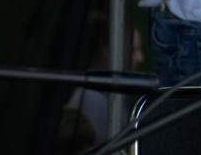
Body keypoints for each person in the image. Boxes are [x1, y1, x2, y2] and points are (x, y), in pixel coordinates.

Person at [58, 11, 145, 153]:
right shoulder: (92, 98)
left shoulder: (109, 95)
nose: (140, 58)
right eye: (133, 51)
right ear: (107, 52)